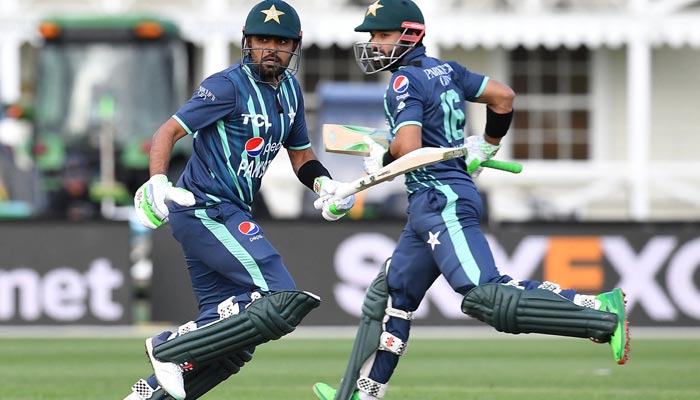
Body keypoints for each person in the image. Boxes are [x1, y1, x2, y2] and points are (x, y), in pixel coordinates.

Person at [313, 1, 629, 399]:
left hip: (440, 198)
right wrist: (489, 145)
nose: (374, 44)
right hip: (430, 203)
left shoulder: (403, 82)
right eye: (373, 37)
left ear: (410, 35)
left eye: (381, 35)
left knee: (484, 296)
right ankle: (362, 392)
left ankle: (598, 311)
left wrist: (366, 173)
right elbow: (503, 97)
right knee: (393, 295)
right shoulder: (447, 70)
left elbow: (407, 148)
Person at [123, 1, 355, 399]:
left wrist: (325, 186)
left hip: (228, 212)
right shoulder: (227, 85)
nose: (270, 49)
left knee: (231, 348)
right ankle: (168, 347)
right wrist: (158, 181)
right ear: (247, 42)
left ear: (295, 46)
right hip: (205, 208)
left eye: (280, 42)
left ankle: (141, 397)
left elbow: (301, 155)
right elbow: (167, 132)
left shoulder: (291, 91)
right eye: (262, 39)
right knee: (277, 298)